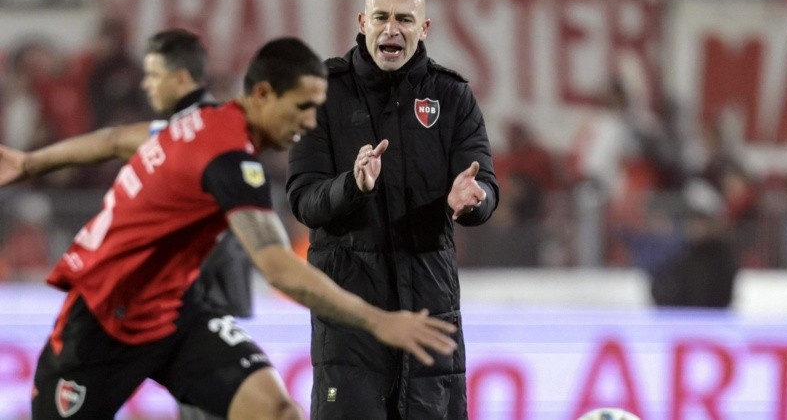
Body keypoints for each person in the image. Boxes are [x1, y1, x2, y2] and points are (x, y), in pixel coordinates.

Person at [1, 37, 457, 419]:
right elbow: (277, 268)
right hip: (102, 322)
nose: (310, 122)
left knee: (279, 412)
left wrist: (30, 162)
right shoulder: (230, 159)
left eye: (317, 108)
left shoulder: (202, 121)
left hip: (173, 312)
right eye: (301, 106)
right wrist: (379, 321)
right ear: (262, 94)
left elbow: (118, 138)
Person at [0, 28, 254, 420]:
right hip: (177, 298)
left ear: (181, 78)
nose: (145, 84)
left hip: (185, 296)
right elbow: (116, 140)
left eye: (153, 75)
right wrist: (31, 163)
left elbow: (118, 140)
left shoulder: (205, 135)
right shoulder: (186, 130)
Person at [286, 0, 498, 419]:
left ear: (425, 28)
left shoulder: (451, 96)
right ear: (363, 23)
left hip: (429, 305)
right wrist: (353, 185)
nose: (391, 29)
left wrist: (473, 199)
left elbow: (485, 184)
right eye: (381, 17)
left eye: (405, 19)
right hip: (349, 316)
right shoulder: (322, 93)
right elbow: (303, 198)